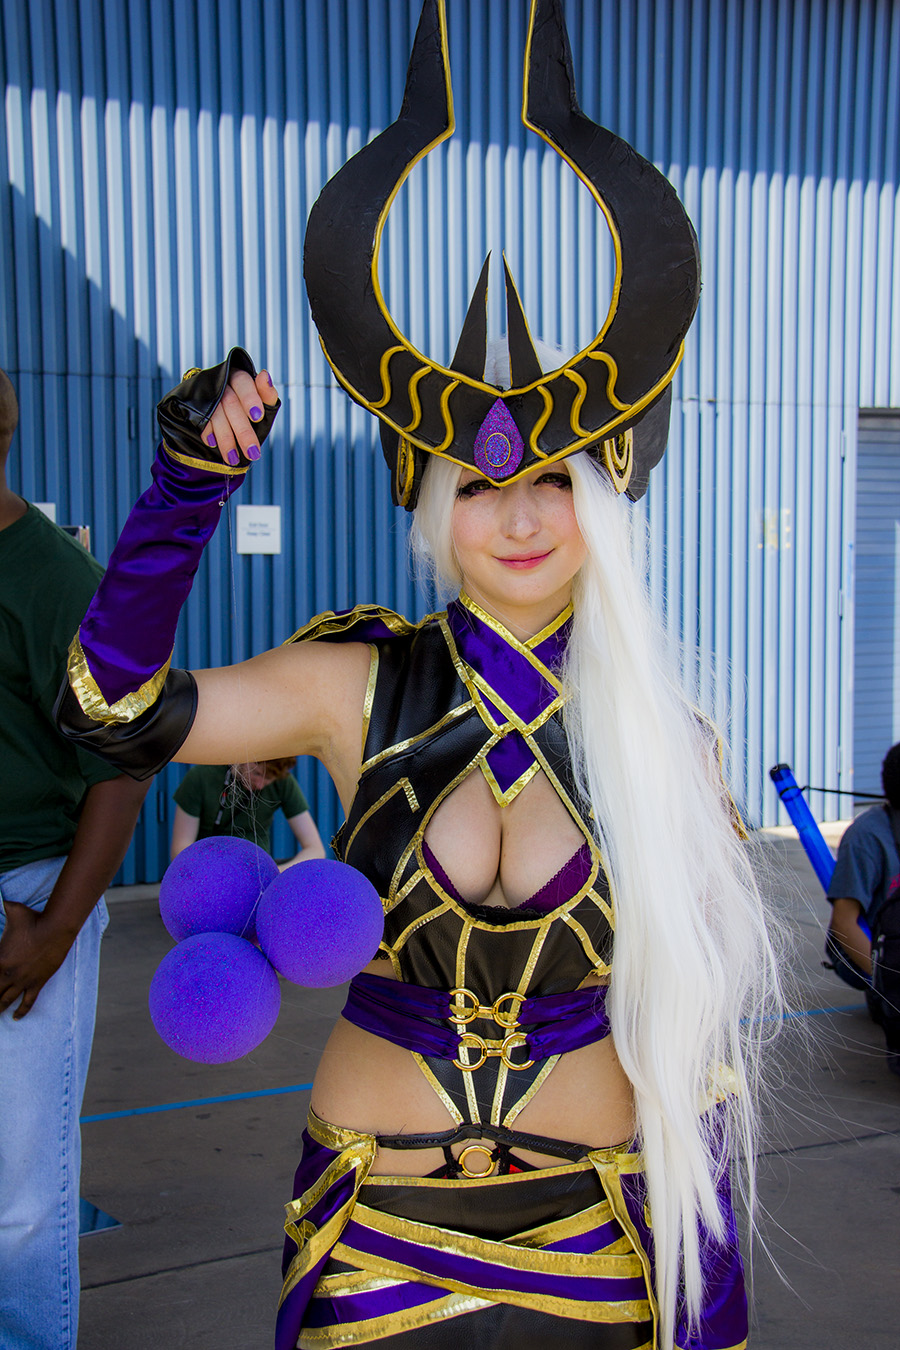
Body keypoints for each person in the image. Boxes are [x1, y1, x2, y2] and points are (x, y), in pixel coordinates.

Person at [55, 3, 782, 1347]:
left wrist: (714, 1281)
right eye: (479, 484)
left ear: (607, 495)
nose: (519, 517)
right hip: (375, 1222)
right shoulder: (350, 683)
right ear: (430, 500)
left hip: (601, 1227)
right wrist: (183, 495)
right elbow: (111, 712)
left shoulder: (667, 737)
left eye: (554, 479)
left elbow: (703, 1040)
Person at [0, 366, 149, 1349]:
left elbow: (125, 765)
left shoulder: (57, 582)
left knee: (19, 1193)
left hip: (26, 897)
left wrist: (56, 931)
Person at [171, 758, 326, 869]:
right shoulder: (201, 777)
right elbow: (180, 850)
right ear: (244, 757)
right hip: (210, 869)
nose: (260, 785)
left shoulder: (283, 781)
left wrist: (276, 874)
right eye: (257, 773)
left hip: (258, 871)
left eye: (269, 779)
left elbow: (316, 849)